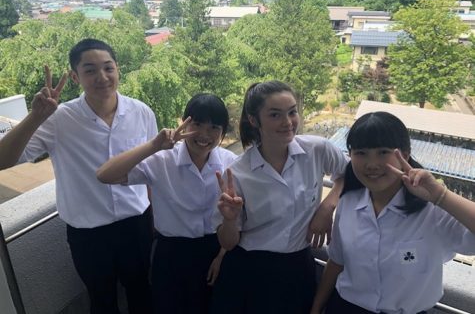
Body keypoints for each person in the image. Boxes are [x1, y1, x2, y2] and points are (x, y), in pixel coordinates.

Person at [0, 39, 157, 314]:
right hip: (89, 234)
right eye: (90, 70)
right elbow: (3, 160)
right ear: (75, 76)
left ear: (118, 69)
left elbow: (154, 169)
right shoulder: (59, 119)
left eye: (108, 68)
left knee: (142, 294)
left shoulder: (141, 112)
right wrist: (35, 117)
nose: (102, 77)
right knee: (102, 301)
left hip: (137, 226)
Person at [311, 111, 475, 314]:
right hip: (345, 307)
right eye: (361, 153)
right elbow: (337, 261)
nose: (371, 164)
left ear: (404, 155)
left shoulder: (432, 211)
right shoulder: (348, 202)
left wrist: (441, 196)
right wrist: (317, 307)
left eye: (383, 152)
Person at [210, 81, 348, 314]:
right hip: (249, 269)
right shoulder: (238, 172)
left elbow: (348, 175)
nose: (288, 122)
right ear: (254, 120)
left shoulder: (317, 150)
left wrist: (327, 207)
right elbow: (228, 242)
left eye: (292, 112)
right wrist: (231, 219)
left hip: (297, 266)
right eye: (275, 115)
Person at [96, 93, 237, 314]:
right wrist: (153, 145)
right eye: (197, 124)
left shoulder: (230, 162)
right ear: (184, 122)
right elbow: (105, 175)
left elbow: (237, 218)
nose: (204, 135)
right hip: (172, 253)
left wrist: (222, 256)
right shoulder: (162, 160)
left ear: (223, 131)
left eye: (214, 128)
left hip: (216, 249)